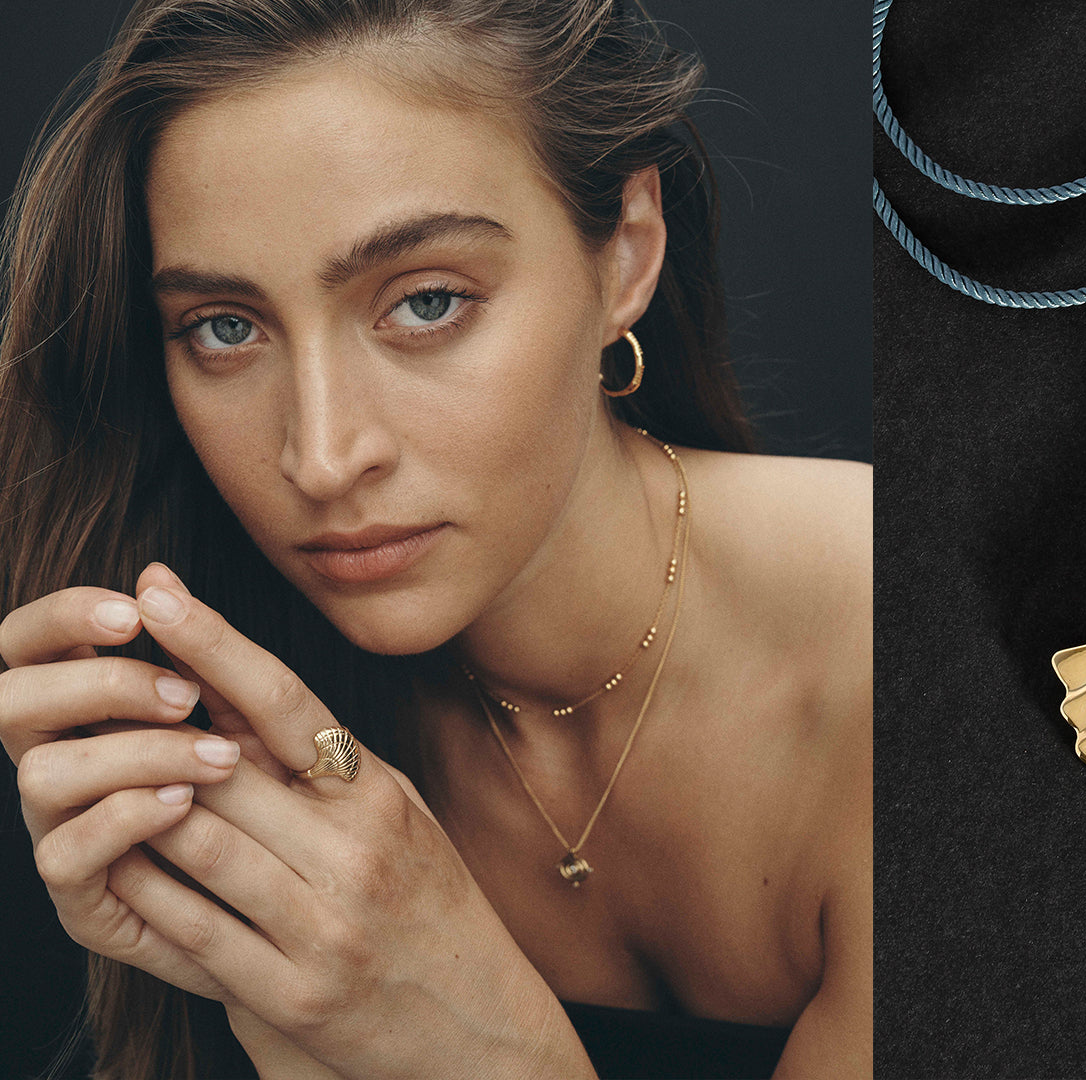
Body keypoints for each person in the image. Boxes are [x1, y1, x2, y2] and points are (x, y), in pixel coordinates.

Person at [0, 1, 871, 1077]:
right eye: (225, 328)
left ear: (626, 258)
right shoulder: (228, 734)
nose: (321, 457)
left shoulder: (925, 660)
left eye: (424, 303)